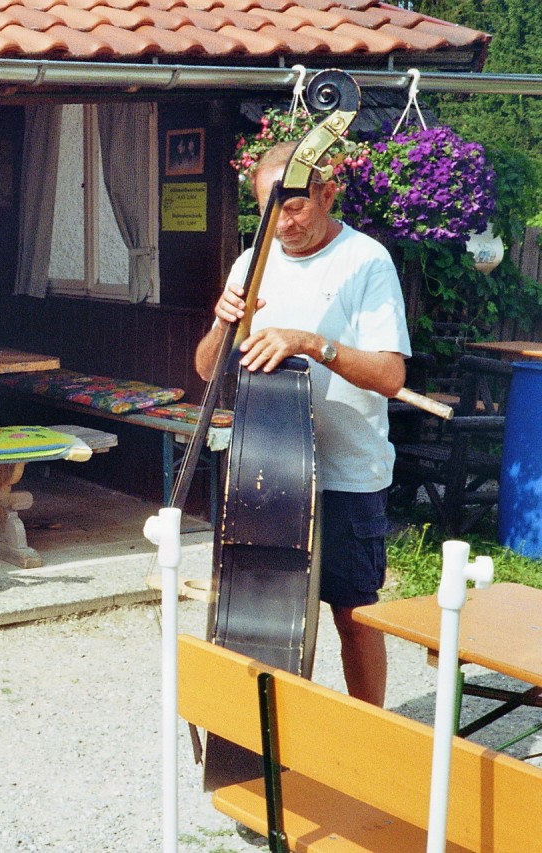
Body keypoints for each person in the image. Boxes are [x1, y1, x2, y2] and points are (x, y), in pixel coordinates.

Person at [193, 141, 410, 707]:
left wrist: (312, 343)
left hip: (346, 472)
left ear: (327, 193)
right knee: (266, 618)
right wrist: (221, 326)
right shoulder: (251, 261)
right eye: (269, 210)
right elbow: (207, 371)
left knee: (354, 616)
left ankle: (366, 738)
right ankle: (281, 738)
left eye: (293, 208)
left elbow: (389, 375)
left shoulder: (365, 260)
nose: (281, 224)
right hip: (266, 471)